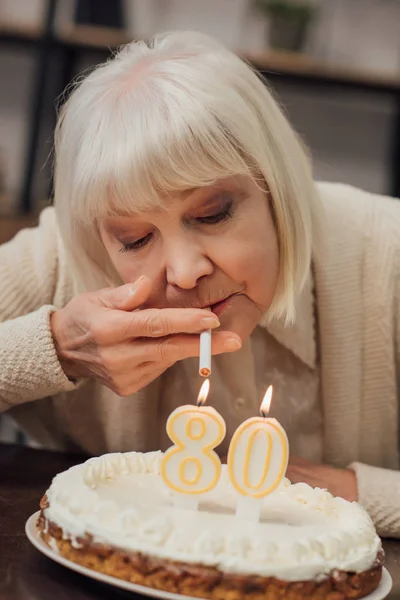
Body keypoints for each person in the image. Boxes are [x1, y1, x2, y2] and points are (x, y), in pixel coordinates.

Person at [0, 31, 399, 537]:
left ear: (276, 184)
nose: (185, 272)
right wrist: (54, 348)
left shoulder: (385, 253)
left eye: (213, 214)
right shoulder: (59, 257)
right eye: (135, 238)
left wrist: (352, 492)